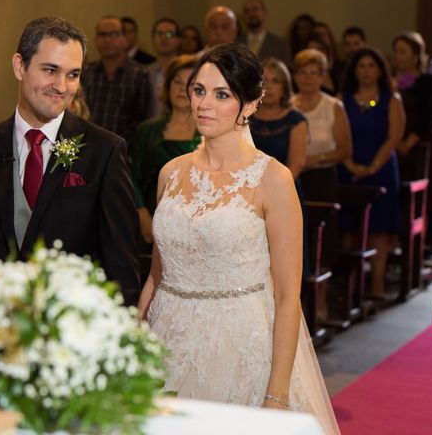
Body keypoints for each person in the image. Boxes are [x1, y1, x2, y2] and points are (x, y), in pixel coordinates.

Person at [137, 44, 339, 434]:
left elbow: (286, 296)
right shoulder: (170, 173)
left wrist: (276, 395)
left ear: (249, 104)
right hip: (168, 337)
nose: (204, 104)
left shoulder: (273, 180)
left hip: (238, 346)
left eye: (221, 94)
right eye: (198, 90)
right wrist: (134, 334)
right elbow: (157, 275)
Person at [0, 16, 141, 306]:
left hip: (73, 334)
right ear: (19, 66)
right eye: (51, 70)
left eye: (73, 75)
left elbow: (121, 264)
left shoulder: (105, 151)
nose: (62, 86)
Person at [338, 47, 405, 297]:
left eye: (371, 66)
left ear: (380, 70)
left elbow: (394, 137)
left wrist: (374, 166)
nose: (366, 71)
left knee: (379, 228)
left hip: (382, 169)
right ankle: (349, 283)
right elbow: (337, 136)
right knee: (347, 227)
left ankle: (376, 282)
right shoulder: (342, 98)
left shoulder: (391, 99)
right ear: (354, 70)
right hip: (348, 166)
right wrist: (351, 165)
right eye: (361, 66)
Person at [131, 55, 201, 271]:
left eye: (189, 83)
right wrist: (143, 216)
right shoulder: (147, 130)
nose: (181, 88)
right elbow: (132, 175)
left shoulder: (210, 132)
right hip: (149, 220)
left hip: (197, 225)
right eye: (176, 81)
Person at [250, 58, 309, 279]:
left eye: (276, 81)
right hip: (246, 193)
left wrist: (269, 192)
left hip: (284, 193)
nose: (270, 87)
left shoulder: (296, 120)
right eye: (265, 80)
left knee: (283, 261)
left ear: (285, 86)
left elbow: (296, 164)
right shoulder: (244, 116)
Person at [392, 31, 432, 244]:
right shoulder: (390, 81)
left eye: (403, 51)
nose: (398, 56)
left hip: (418, 143)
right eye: (396, 51)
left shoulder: (426, 82)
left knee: (421, 200)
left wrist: (408, 143)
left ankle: (420, 242)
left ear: (415, 55)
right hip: (394, 144)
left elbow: (427, 115)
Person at [81, 15, 152, 144]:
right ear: (96, 40)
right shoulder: (86, 73)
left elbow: (142, 121)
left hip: (125, 150)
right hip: (88, 146)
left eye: (114, 34)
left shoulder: (140, 74)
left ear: (125, 39)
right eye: (103, 35)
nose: (107, 40)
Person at [292, 49, 352, 169]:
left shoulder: (334, 106)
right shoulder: (286, 105)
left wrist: (315, 159)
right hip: (288, 174)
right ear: (296, 76)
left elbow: (345, 150)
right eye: (303, 72)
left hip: (323, 174)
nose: (307, 78)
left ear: (322, 77)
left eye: (313, 73)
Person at [238, 0, 291, 64]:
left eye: (255, 9)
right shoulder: (235, 42)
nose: (251, 14)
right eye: (247, 11)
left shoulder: (280, 44)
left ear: (264, 12)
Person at [147, 18, 181, 119]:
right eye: (159, 34)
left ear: (178, 40)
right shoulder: (146, 71)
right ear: (153, 39)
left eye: (169, 34)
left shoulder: (187, 71)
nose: (163, 38)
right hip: (151, 130)